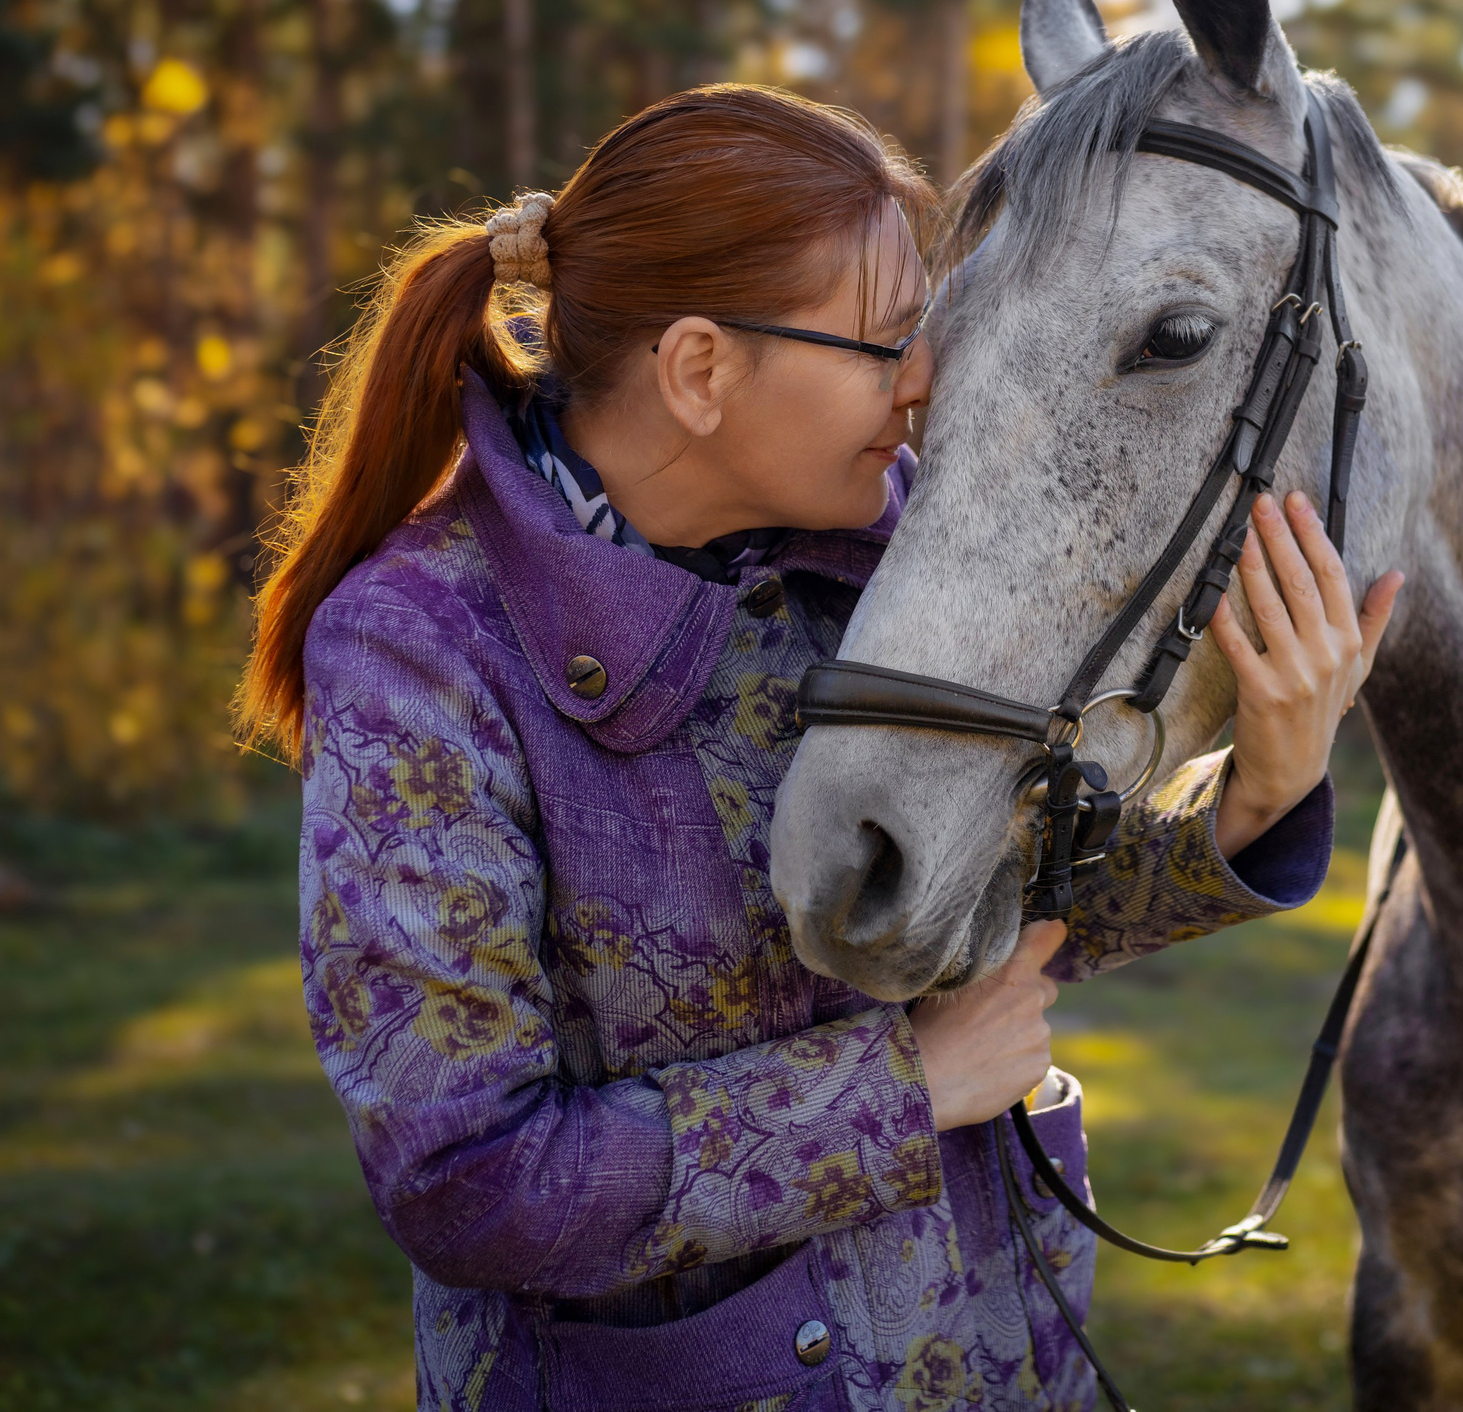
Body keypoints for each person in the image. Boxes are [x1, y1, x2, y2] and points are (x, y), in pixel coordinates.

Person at [238, 85, 1402, 1412]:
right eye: (886, 340)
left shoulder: (886, 551)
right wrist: (905, 1090)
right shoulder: (423, 649)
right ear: (698, 370)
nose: (924, 382)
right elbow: (468, 1183)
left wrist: (1262, 790)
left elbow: (990, 910)